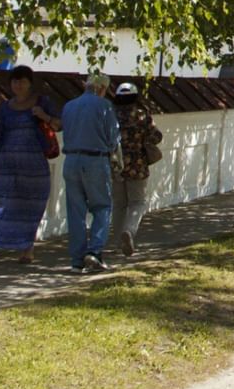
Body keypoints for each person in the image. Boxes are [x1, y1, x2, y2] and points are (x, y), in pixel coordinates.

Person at [0, 65, 61, 266]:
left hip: (33, 166)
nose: (18, 85)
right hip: (5, 165)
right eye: (15, 81)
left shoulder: (42, 102)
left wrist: (43, 115)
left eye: (23, 81)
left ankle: (27, 250)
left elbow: (59, 125)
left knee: (30, 206)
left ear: (30, 83)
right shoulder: (5, 108)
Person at [59, 72, 122, 273]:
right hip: (96, 159)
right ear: (102, 88)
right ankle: (94, 251)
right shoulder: (105, 107)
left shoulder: (69, 106)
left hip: (71, 160)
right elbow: (113, 138)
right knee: (102, 206)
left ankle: (76, 260)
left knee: (75, 211)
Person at [109, 82, 162, 258]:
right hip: (137, 164)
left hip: (116, 164)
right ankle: (129, 231)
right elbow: (156, 136)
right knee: (137, 202)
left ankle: (118, 242)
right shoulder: (141, 115)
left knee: (118, 204)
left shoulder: (111, 115)